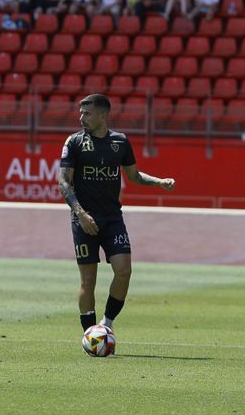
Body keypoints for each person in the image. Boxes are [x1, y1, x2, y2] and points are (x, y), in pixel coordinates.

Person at [57, 94, 175, 340]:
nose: (81, 118)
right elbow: (64, 183)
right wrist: (81, 215)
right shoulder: (74, 142)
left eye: (87, 113)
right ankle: (89, 335)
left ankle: (107, 323)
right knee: (88, 280)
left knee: (124, 271)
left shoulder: (120, 142)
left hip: (112, 218)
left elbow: (134, 176)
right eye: (81, 113)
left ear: (102, 115)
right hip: (84, 220)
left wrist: (159, 182)